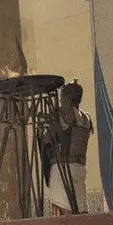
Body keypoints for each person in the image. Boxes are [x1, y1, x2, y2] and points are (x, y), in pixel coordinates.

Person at [45, 81, 94, 215]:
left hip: (62, 169)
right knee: (80, 211)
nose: (60, 100)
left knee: (62, 211)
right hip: (80, 168)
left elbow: (47, 139)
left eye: (62, 97)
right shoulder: (86, 118)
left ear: (67, 98)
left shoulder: (62, 114)